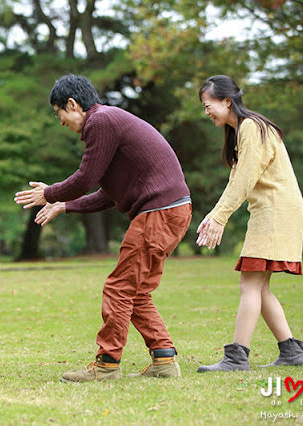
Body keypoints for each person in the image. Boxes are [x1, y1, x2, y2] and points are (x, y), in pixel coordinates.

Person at [14, 74, 192, 382]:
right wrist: (65, 204)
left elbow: (84, 178)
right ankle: (164, 360)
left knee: (119, 288)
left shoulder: (100, 122)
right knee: (135, 292)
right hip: (170, 210)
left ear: (72, 104)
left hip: (158, 212)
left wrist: (49, 192)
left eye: (59, 114)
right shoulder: (109, 123)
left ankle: (107, 364)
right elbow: (107, 195)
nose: (61, 122)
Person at [195, 75, 303, 372]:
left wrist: (221, 217)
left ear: (226, 101)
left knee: (249, 282)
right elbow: (237, 180)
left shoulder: (250, 127)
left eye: (209, 105)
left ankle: (236, 357)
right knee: (259, 286)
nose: (206, 112)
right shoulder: (242, 131)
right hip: (274, 210)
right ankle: (291, 351)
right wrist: (214, 215)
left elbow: (245, 180)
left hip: (275, 211)